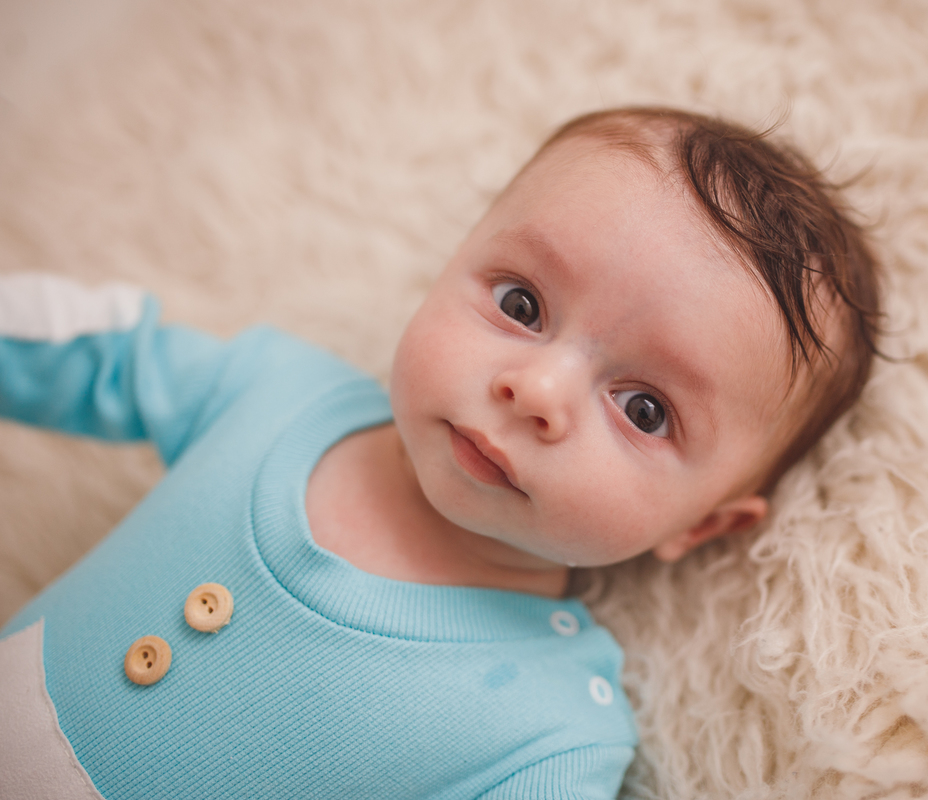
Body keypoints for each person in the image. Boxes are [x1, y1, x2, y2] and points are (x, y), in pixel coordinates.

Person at [0, 106, 880, 799]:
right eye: (523, 306)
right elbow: (102, 353)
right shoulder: (276, 391)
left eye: (644, 408)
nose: (535, 393)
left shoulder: (542, 738)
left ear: (706, 525)